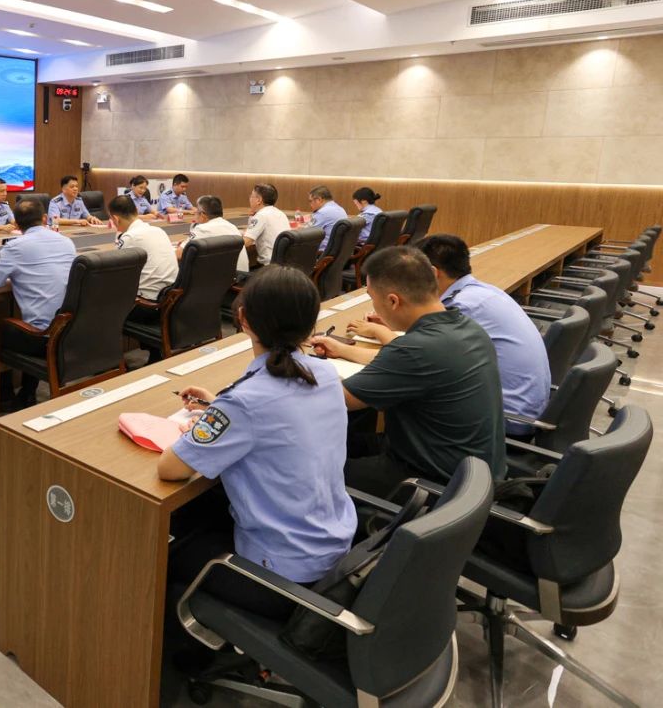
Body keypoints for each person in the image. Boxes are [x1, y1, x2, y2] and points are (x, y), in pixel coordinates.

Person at [159, 266, 357, 621]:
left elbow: (170, 469)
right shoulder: (325, 373)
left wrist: (214, 418)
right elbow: (277, 412)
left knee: (163, 559)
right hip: (333, 551)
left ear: (243, 320)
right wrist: (219, 408)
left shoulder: (244, 402)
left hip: (279, 575)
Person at [310, 246, 506, 498]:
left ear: (393, 301)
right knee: (347, 439)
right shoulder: (467, 328)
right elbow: (404, 360)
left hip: (431, 482)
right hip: (470, 473)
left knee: (310, 470)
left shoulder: (416, 350)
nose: (373, 307)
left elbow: (335, 400)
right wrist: (344, 350)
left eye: (372, 298)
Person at [413, 234, 550, 434]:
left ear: (433, 273)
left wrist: (380, 330)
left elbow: (422, 358)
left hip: (506, 421)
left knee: (408, 397)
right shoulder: (482, 292)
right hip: (525, 408)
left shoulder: (463, 307)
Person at [0, 198, 77, 414]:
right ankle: (27, 392)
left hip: (42, 338)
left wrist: (18, 281)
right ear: (45, 219)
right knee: (35, 319)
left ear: (17, 225)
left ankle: (2, 397)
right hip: (71, 331)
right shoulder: (66, 242)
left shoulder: (15, 246)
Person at [109, 193, 178, 299]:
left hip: (146, 300)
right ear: (137, 211)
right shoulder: (159, 230)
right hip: (171, 296)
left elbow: (116, 271)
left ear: (115, 219)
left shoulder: (129, 237)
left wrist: (118, 235)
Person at [175, 195, 247, 275]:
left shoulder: (202, 229)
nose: (195, 214)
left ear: (203, 215)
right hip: (242, 276)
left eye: (196, 212)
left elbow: (179, 254)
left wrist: (186, 243)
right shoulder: (232, 226)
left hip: (220, 279)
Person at [242, 182, 290, 269]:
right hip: (285, 266)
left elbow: (245, 242)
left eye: (251, 196)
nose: (250, 199)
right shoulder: (280, 213)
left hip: (269, 269)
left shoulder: (261, 216)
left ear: (259, 200)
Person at [306, 185, 347, 254]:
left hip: (321, 253)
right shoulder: (340, 209)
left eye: (310, 201)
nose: (310, 204)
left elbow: (308, 235)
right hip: (336, 252)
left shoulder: (322, 213)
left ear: (319, 200)